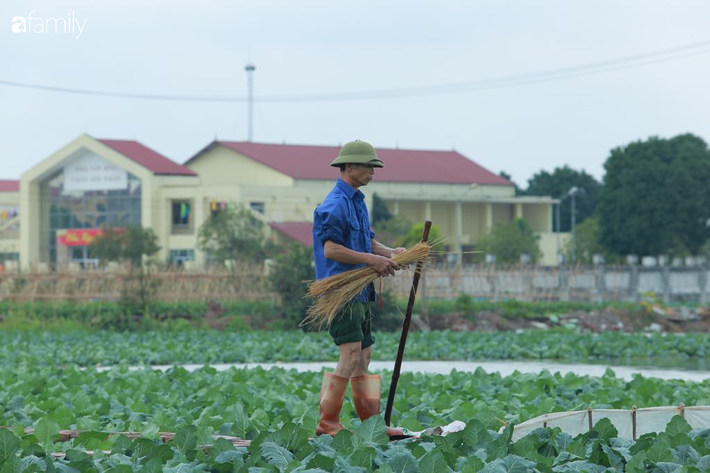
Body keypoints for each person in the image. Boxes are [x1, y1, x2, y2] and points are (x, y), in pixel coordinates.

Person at [312, 139, 406, 438]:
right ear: (349, 167)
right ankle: (327, 423)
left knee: (364, 357)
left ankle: (372, 426)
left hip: (362, 291)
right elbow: (331, 250)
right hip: (342, 292)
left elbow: (368, 242)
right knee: (350, 354)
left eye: (373, 167)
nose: (373, 172)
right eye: (368, 166)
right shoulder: (334, 204)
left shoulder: (357, 201)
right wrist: (373, 260)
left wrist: (392, 253)